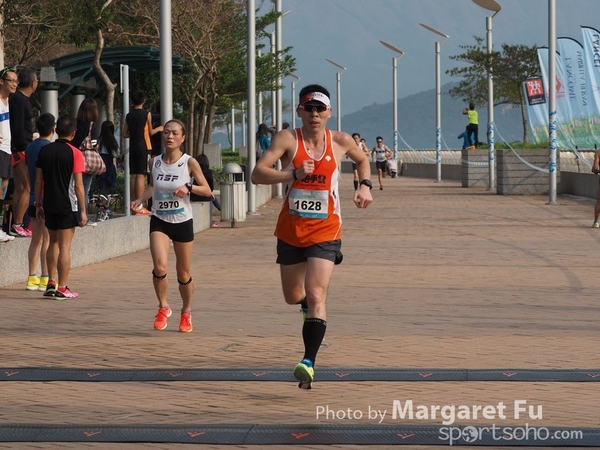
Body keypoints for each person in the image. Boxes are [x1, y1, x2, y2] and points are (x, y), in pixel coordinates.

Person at [251, 84, 373, 389]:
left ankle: (308, 362)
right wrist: (292, 174)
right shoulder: (287, 139)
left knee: (317, 293)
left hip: (326, 229)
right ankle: (305, 307)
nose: (314, 114)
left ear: (329, 112)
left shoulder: (341, 141)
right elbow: (257, 173)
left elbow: (362, 160)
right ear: (299, 111)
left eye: (320, 109)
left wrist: (365, 185)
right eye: (309, 108)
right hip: (290, 230)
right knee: (294, 296)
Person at [131, 119, 211, 333]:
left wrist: (189, 187)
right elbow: (152, 186)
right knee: (160, 267)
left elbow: (207, 190)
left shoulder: (189, 162)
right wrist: (139, 200)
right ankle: (163, 306)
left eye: (175, 133)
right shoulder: (154, 162)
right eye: (166, 132)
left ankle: (186, 311)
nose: (170, 136)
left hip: (182, 221)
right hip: (160, 220)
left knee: (183, 274)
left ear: (182, 138)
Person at [34, 115, 87, 299]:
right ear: (74, 133)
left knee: (52, 242)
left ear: (56, 130)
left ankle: (51, 282)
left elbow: (38, 180)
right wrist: (83, 210)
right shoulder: (75, 153)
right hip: (67, 205)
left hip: (49, 203)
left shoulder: (45, 151)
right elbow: (78, 185)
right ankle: (62, 288)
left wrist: (38, 204)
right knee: (65, 246)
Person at [25, 113, 53, 291]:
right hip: (46, 197)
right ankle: (45, 277)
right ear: (53, 129)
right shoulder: (49, 148)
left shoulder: (30, 147)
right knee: (47, 239)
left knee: (35, 240)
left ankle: (31, 277)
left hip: (32, 197)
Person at [124, 90, 164, 215]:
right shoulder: (147, 114)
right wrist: (160, 128)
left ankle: (134, 204)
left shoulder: (129, 115)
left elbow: (125, 133)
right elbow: (151, 132)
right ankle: (139, 205)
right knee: (141, 176)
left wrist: (134, 134)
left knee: (134, 175)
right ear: (143, 101)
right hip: (144, 147)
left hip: (133, 147)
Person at [9, 68, 38, 238]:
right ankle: (18, 223)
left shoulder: (18, 99)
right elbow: (18, 127)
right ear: (33, 83)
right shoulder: (21, 100)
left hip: (18, 147)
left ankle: (16, 223)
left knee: (20, 187)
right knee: (27, 187)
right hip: (21, 149)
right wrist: (24, 148)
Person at [71, 98, 99, 213]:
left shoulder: (74, 124)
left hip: (73, 159)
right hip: (86, 162)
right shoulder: (92, 126)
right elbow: (94, 144)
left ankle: (74, 213)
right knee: (84, 190)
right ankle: (82, 215)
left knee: (73, 189)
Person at [0, 68, 18, 243]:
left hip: (6, 149)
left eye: (16, 81)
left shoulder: (8, 101)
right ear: (1, 81)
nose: (14, 84)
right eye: (11, 80)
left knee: (4, 188)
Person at [190, 153, 221, 227]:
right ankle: (222, 210)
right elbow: (211, 188)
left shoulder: (194, 172)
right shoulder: (208, 172)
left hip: (193, 196)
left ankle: (220, 211)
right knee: (213, 197)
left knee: (212, 196)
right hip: (205, 196)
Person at [96, 120, 119, 218]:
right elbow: (115, 154)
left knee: (102, 187)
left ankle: (102, 208)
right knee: (106, 189)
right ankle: (103, 207)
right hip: (109, 166)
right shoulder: (113, 141)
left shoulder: (99, 140)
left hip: (100, 165)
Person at [592, 149, 600, 228]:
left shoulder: (598, 152)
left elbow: (595, 168)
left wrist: (595, 171)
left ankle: (596, 222)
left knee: (599, 201)